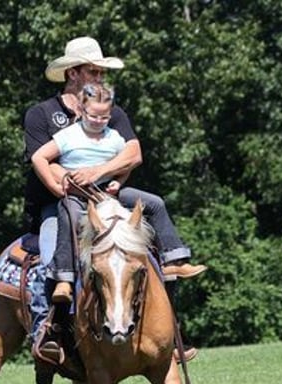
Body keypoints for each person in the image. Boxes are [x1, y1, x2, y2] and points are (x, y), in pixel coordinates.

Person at [23, 36, 203, 367]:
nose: (100, 78)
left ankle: (172, 332)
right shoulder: (42, 115)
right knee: (49, 257)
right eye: (94, 71)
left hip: (109, 199)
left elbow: (132, 153)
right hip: (58, 206)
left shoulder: (110, 111)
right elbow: (41, 161)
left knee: (140, 257)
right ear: (74, 73)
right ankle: (49, 335)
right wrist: (63, 187)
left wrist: (99, 172)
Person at [31, 82, 206, 303]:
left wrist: (119, 181)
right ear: (82, 111)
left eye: (104, 117)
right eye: (93, 116)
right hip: (77, 193)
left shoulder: (113, 137)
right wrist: (55, 187)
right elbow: (39, 157)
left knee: (154, 203)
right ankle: (64, 277)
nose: (98, 122)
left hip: (108, 192)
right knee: (68, 214)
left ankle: (173, 261)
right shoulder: (69, 135)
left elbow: (128, 162)